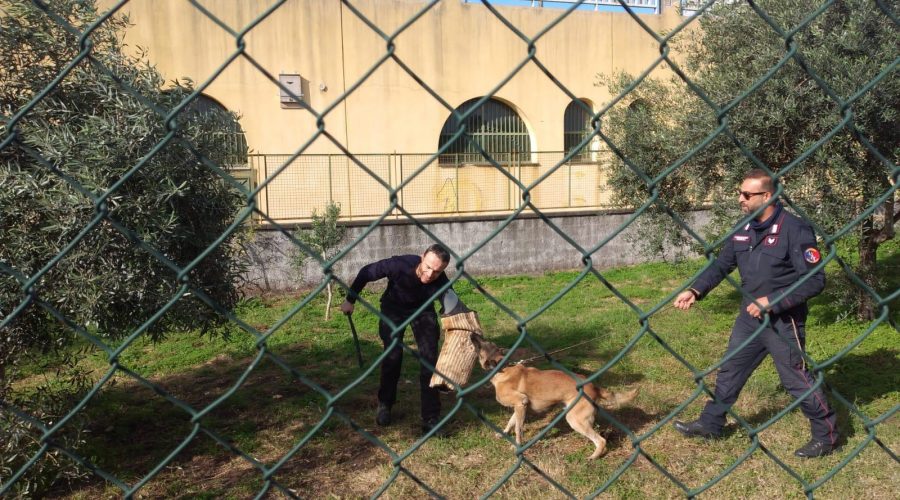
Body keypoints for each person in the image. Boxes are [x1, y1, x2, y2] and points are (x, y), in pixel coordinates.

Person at [671, 169, 839, 458]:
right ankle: (711, 423)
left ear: (768, 196)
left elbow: (814, 280)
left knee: (795, 379)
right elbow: (721, 265)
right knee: (731, 369)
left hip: (782, 320)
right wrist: (696, 290)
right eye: (740, 193)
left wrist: (772, 301)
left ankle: (827, 437)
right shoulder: (743, 228)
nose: (741, 199)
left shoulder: (795, 229)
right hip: (749, 318)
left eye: (747, 194)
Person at [340, 243, 465, 437]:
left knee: (430, 361)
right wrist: (350, 299)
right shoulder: (399, 265)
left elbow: (451, 301)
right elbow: (366, 272)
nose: (430, 274)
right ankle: (385, 404)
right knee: (393, 356)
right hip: (393, 309)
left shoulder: (440, 280)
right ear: (422, 257)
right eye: (428, 267)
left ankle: (431, 419)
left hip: (423, 311)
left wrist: (462, 319)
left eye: (437, 271)